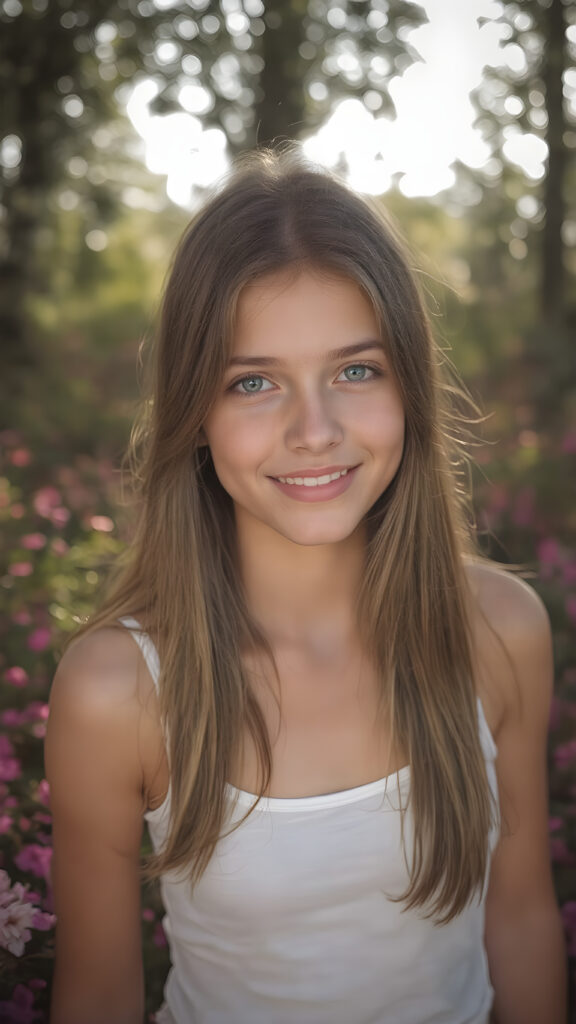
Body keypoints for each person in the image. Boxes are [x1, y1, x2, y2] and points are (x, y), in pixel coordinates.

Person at [45, 148, 567, 1024]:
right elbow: (96, 993)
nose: (314, 430)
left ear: (409, 388)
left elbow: (518, 914)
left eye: (356, 370)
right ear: (195, 416)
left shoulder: (500, 628)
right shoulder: (121, 690)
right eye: (253, 383)